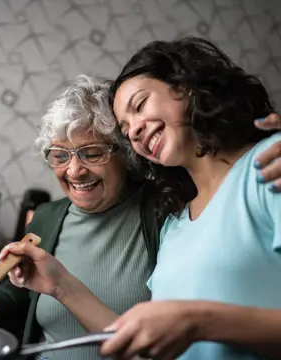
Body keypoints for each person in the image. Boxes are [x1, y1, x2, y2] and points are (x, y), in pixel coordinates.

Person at [0, 75, 281, 360]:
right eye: (60, 155)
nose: (74, 169)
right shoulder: (46, 216)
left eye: (92, 152)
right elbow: (24, 290)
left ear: (126, 153)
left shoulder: (166, 209)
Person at [98, 37, 281, 359]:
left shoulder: (271, 164)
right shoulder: (173, 226)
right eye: (126, 131)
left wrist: (199, 321)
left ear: (187, 85)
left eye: (140, 105)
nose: (135, 132)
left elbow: (190, 326)